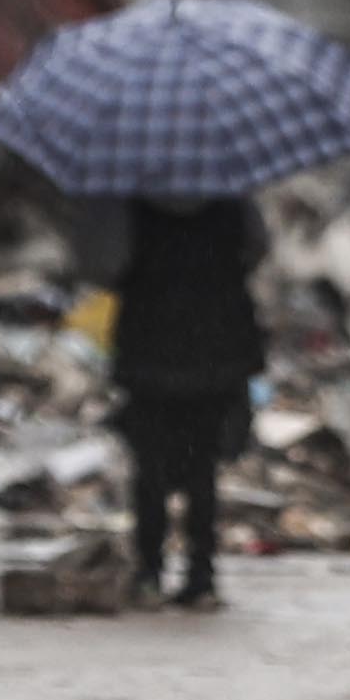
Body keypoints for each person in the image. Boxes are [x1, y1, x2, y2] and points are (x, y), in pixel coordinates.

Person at [112, 192, 265, 606]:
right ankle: (201, 575)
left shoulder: (136, 202)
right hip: (214, 350)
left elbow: (107, 264)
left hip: (150, 348)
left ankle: (148, 572)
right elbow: (256, 251)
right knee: (202, 468)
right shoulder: (232, 200)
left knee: (150, 468)